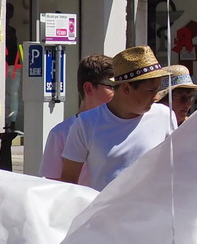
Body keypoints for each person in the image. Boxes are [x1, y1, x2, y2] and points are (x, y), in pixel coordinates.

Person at [58, 46, 176, 189]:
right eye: (150, 91)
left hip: (154, 210)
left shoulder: (164, 115)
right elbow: (68, 182)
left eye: (157, 90)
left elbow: (175, 166)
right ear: (126, 88)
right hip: (104, 210)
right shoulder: (85, 124)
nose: (156, 97)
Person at [40, 54, 114, 185]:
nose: (117, 93)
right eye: (111, 87)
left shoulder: (120, 126)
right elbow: (53, 186)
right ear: (89, 88)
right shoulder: (60, 134)